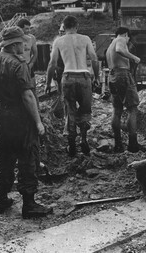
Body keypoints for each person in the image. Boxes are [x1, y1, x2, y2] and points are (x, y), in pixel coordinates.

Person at [0, 26, 52, 218]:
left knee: (5, 159)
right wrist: (38, 122)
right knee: (28, 158)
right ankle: (29, 205)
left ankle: (2, 199)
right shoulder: (18, 64)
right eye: (22, 42)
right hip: (22, 117)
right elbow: (27, 96)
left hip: (2, 116)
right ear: (14, 45)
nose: (25, 45)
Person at [46, 15, 99, 157]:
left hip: (68, 76)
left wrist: (47, 82)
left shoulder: (59, 41)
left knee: (70, 110)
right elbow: (94, 59)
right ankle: (83, 138)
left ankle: (71, 144)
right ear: (77, 26)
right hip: (84, 76)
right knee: (85, 110)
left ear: (64, 26)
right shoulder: (85, 39)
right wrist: (97, 77)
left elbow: (52, 64)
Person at [105, 27, 142, 153]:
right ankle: (133, 145)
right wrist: (134, 58)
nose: (127, 40)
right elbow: (120, 49)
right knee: (132, 109)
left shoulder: (110, 45)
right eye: (128, 38)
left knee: (117, 110)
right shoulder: (121, 39)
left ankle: (118, 144)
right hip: (122, 74)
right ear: (126, 34)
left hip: (112, 76)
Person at [17, 18, 38, 89]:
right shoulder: (14, 39)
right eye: (26, 29)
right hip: (17, 68)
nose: (29, 31)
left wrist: (31, 64)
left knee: (32, 87)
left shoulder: (32, 38)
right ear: (20, 29)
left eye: (29, 29)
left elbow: (35, 53)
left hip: (28, 66)